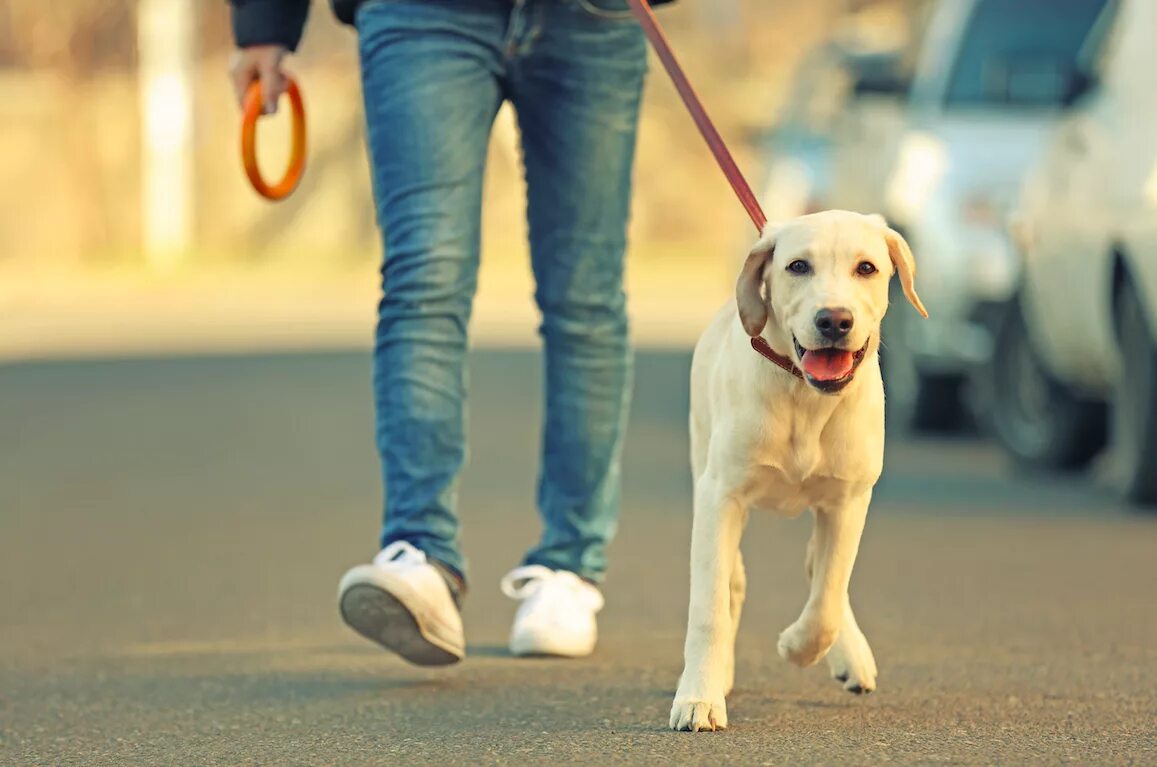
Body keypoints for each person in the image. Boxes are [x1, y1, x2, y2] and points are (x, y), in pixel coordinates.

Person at [227, 0, 671, 665]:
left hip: (590, 15)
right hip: (420, 13)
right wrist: (266, 23)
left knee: (584, 295)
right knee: (422, 279)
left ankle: (570, 569)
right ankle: (419, 555)